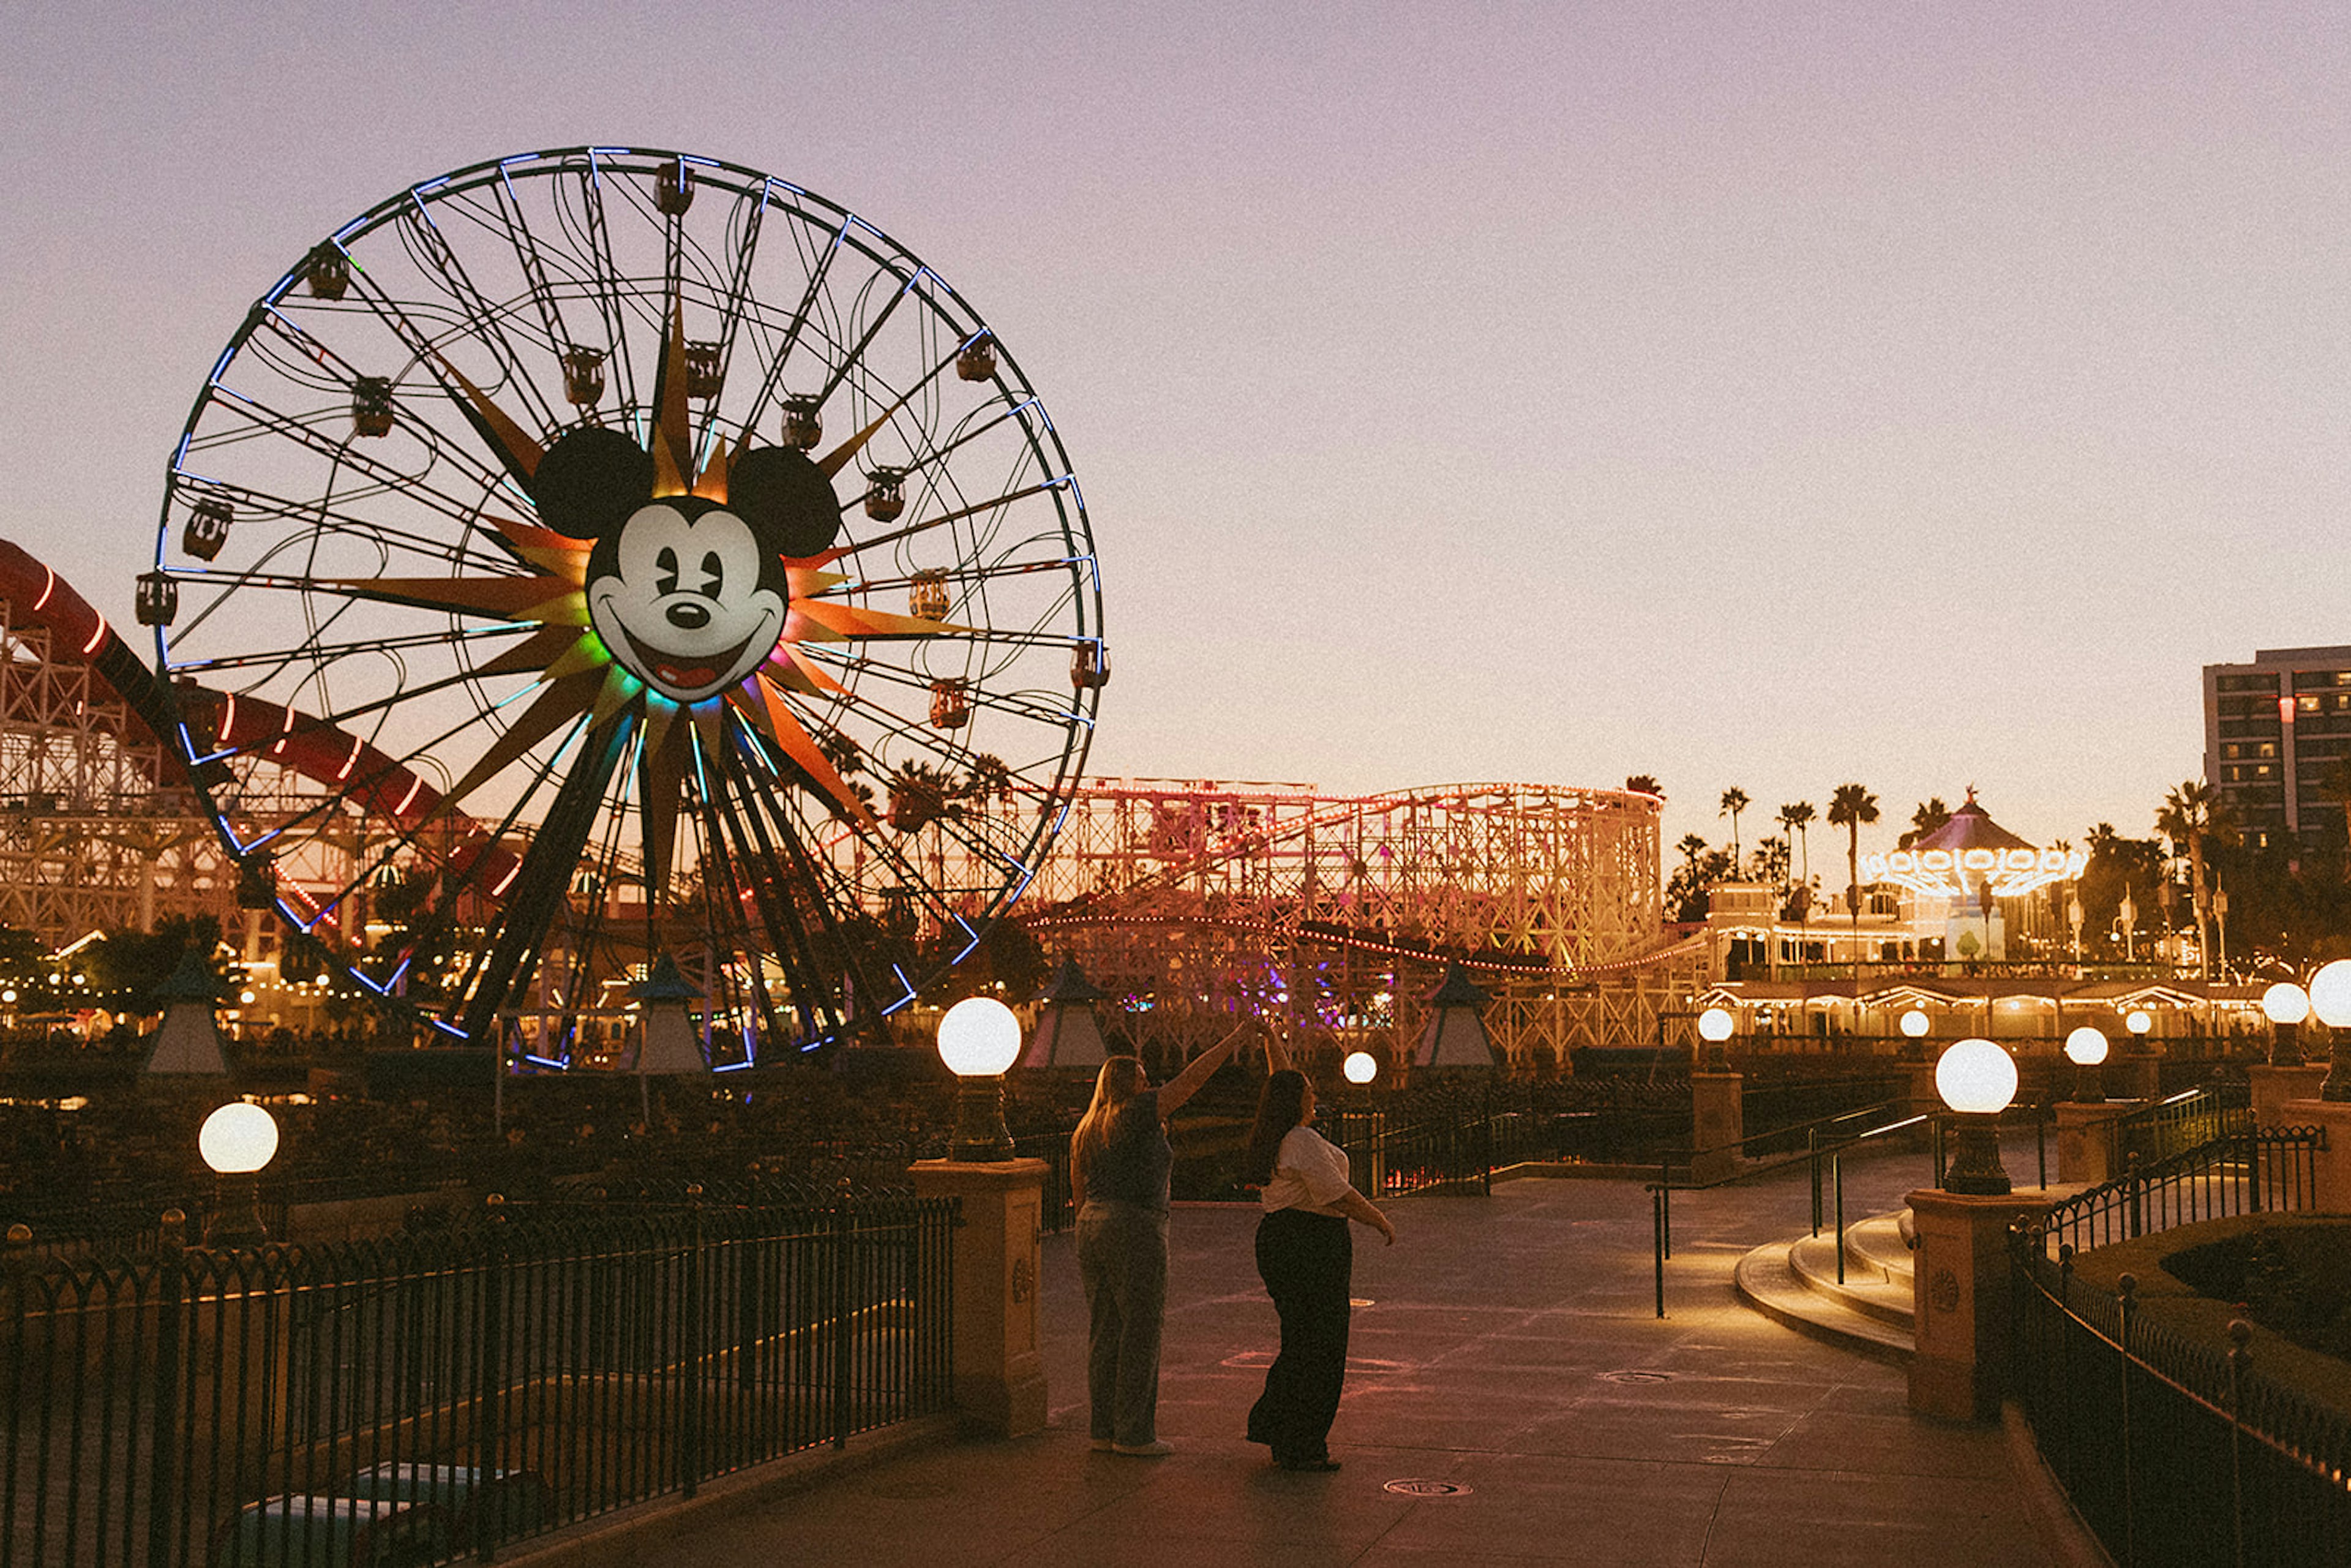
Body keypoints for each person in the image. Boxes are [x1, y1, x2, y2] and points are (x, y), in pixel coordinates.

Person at [1070, 1029, 1242, 1456]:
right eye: (1143, 1078)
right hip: (1135, 1223)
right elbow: (1189, 1082)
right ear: (1130, 1084)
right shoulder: (1136, 1111)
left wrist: (1090, 1222)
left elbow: (1077, 1185)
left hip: (1092, 1221)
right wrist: (1234, 1038)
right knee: (1141, 1329)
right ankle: (1133, 1434)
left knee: (1105, 1330)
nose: (1149, 1084)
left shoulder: (1088, 1126)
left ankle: (1102, 1427)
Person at [1243, 1041, 1395, 1472]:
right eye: (1308, 1092)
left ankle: (1282, 1428)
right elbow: (1338, 1194)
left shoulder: (1277, 1137)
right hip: (1310, 1244)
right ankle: (1302, 1439)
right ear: (1297, 1101)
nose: (1315, 1096)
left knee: (1301, 1338)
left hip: (1283, 1240)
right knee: (1321, 1344)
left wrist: (1271, 1041)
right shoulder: (1302, 1140)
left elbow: (1283, 1081)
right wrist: (1379, 1218)